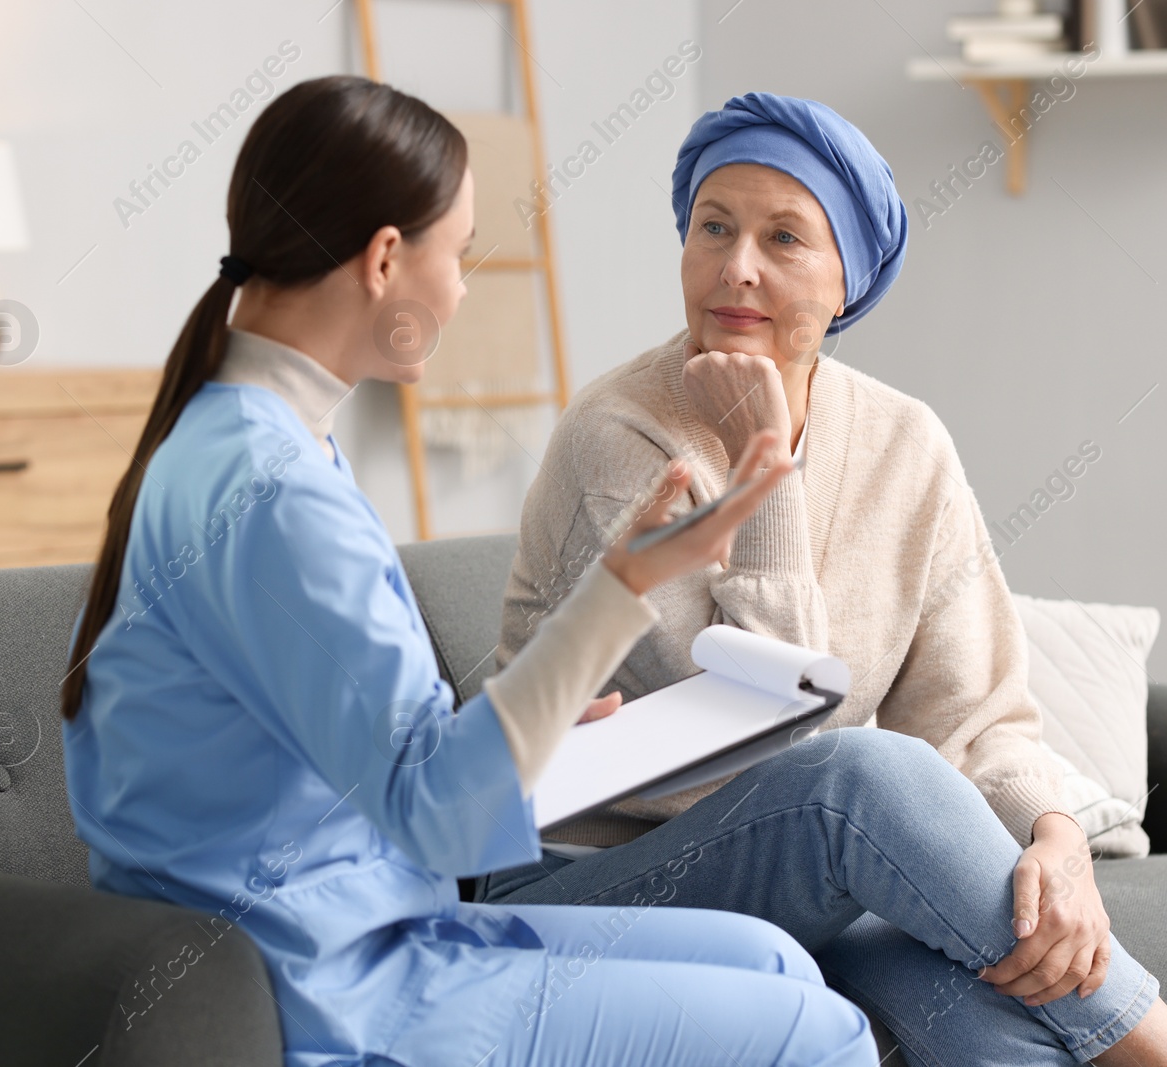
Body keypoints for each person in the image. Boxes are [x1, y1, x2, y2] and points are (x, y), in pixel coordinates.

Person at [58, 75, 880, 1067]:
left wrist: (538, 707)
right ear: (387, 259)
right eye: (460, 253)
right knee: (817, 1030)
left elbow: (368, 746)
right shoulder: (270, 488)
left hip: (371, 931)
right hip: (330, 982)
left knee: (774, 961)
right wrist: (622, 584)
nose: (460, 287)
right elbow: (438, 815)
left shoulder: (250, 438)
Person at [487, 92, 1167, 1066]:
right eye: (712, 227)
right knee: (862, 776)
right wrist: (766, 465)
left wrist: (1054, 838)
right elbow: (755, 730)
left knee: (985, 1027)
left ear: (848, 281)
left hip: (803, 875)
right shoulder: (623, 435)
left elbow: (975, 715)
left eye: (783, 237)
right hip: (580, 878)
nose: (735, 265)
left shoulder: (903, 442)